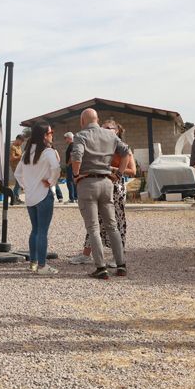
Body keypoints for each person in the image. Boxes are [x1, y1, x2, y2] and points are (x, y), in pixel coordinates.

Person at [71, 109, 130, 279]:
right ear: (97, 119)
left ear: (83, 120)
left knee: (93, 227)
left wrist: (76, 175)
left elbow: (77, 155)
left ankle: (101, 267)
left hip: (87, 182)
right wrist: (119, 174)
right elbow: (126, 152)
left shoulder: (81, 136)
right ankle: (121, 265)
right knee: (112, 226)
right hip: (107, 183)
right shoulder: (110, 135)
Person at [14, 123, 60, 274]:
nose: (52, 134)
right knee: (42, 231)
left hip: (30, 196)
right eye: (50, 132)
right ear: (45, 135)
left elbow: (17, 174)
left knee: (35, 230)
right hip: (44, 194)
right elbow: (56, 168)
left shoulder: (27, 152)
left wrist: (25, 186)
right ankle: (42, 266)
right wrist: (51, 181)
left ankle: (33, 263)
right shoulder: (48, 152)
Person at [7, 134, 25, 205]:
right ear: (18, 139)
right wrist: (20, 156)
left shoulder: (19, 147)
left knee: (19, 183)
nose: (21, 143)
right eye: (21, 141)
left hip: (20, 167)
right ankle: (14, 198)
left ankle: (16, 198)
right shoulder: (12, 147)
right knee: (18, 183)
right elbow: (11, 158)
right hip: (15, 167)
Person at [63, 132, 78, 203]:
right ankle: (75, 197)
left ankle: (72, 198)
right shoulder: (73, 145)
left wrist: (68, 164)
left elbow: (72, 156)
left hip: (71, 166)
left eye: (65, 138)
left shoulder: (72, 145)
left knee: (70, 182)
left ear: (69, 138)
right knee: (73, 181)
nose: (65, 140)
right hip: (73, 166)